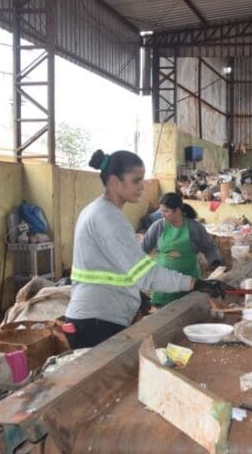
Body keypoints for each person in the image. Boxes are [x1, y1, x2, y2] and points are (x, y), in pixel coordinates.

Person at [65, 150, 225, 349]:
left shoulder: (98, 211)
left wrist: (134, 295)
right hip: (96, 322)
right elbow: (145, 273)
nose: (143, 186)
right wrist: (196, 283)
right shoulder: (108, 217)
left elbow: (117, 266)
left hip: (97, 316)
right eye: (136, 180)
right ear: (114, 181)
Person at [142, 192, 222, 307]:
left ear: (177, 210)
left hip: (190, 280)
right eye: (161, 211)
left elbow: (209, 247)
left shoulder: (194, 227)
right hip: (164, 282)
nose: (162, 215)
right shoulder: (158, 226)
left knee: (188, 310)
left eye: (166, 211)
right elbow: (142, 248)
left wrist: (214, 261)